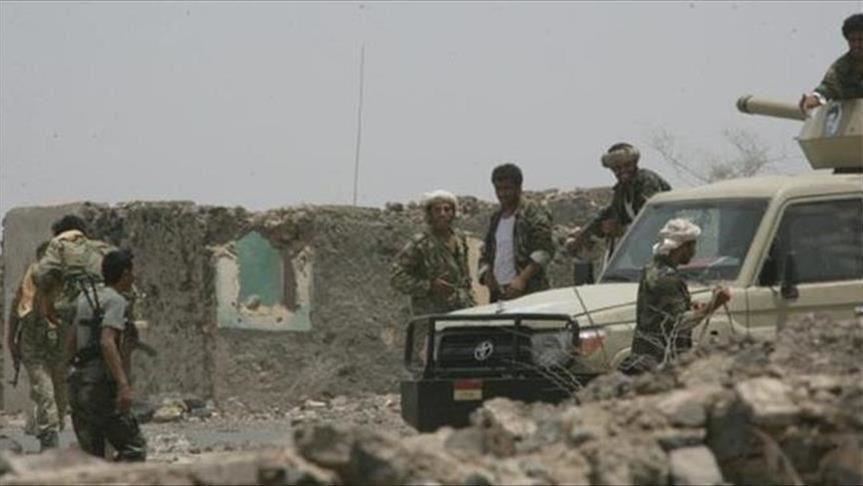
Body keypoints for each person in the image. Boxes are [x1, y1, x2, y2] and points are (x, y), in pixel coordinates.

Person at [67, 249, 147, 461]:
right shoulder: (115, 301)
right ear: (125, 274)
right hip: (99, 386)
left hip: (78, 383)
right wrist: (123, 385)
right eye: (132, 272)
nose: (134, 277)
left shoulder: (85, 297)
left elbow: (71, 340)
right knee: (134, 448)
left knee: (92, 457)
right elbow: (107, 341)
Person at [623, 218, 731, 374]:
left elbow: (660, 309)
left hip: (647, 358)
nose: (694, 252)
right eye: (692, 246)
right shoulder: (667, 279)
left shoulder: (652, 268)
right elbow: (679, 324)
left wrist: (690, 305)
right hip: (662, 362)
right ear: (682, 247)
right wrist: (714, 304)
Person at [566, 143, 670, 271]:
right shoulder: (621, 190)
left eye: (627, 165)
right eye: (617, 168)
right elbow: (606, 215)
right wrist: (582, 238)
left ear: (635, 163)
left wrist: (622, 230)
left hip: (667, 250)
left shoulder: (646, 181)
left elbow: (653, 219)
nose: (622, 171)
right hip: (643, 257)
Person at [5, 241, 68, 451]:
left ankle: (45, 429)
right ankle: (49, 442)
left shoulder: (65, 283)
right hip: (33, 347)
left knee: (60, 396)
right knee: (45, 392)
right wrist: (11, 341)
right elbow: (16, 310)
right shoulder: (29, 282)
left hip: (58, 347)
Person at [478, 163, 555, 302]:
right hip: (499, 294)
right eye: (498, 189)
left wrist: (522, 279)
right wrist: (486, 275)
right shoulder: (496, 218)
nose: (502, 194)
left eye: (507, 188)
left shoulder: (532, 213)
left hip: (528, 292)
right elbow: (487, 252)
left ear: (519, 188)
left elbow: (544, 250)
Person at [391, 190, 476, 315]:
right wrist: (429, 286)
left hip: (461, 311)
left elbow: (465, 277)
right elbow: (397, 278)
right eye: (437, 210)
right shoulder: (420, 243)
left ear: (453, 213)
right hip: (430, 315)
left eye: (447, 209)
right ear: (429, 214)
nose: (442, 214)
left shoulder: (460, 239)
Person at [800, 13, 863, 111]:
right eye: (852, 40)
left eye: (861, 40)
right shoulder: (841, 67)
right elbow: (828, 88)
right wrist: (812, 100)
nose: (857, 45)